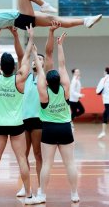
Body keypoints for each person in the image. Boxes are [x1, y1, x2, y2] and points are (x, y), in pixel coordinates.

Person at [0, 25, 40, 205]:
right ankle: (29, 195)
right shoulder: (20, 78)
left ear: (1, 67)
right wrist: (30, 37)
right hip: (17, 126)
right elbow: (27, 56)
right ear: (14, 66)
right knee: (22, 159)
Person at [34, 33, 79, 203]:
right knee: (70, 164)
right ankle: (74, 194)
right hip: (65, 128)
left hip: (49, 129)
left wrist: (34, 54)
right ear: (60, 80)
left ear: (46, 81)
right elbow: (62, 64)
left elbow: (39, 70)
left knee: (47, 164)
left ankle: (42, 195)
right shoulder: (65, 88)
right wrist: (60, 45)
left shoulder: (43, 93)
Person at [16, 21, 60, 197]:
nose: (37, 60)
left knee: (37, 154)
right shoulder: (24, 77)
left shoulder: (45, 78)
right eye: (36, 59)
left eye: (39, 59)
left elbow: (49, 53)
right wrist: (20, 37)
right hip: (23, 119)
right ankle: (25, 186)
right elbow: (22, 56)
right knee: (23, 155)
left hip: (39, 120)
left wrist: (50, 34)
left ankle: (41, 188)